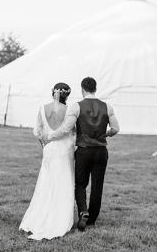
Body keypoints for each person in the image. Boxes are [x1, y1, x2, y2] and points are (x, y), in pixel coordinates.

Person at [44, 77, 119, 231]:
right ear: (95, 89)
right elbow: (115, 129)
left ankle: (83, 211)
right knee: (97, 185)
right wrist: (107, 134)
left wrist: (50, 136)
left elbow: (65, 129)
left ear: (82, 89)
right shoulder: (107, 106)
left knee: (80, 184)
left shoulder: (76, 107)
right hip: (101, 151)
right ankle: (91, 219)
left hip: (84, 151)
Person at [19, 83, 75, 240]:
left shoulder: (42, 109)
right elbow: (73, 133)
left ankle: (40, 216)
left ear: (53, 93)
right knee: (64, 182)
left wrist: (44, 145)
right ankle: (60, 217)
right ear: (67, 95)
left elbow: (37, 131)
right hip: (65, 151)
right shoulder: (70, 110)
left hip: (49, 149)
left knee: (46, 183)